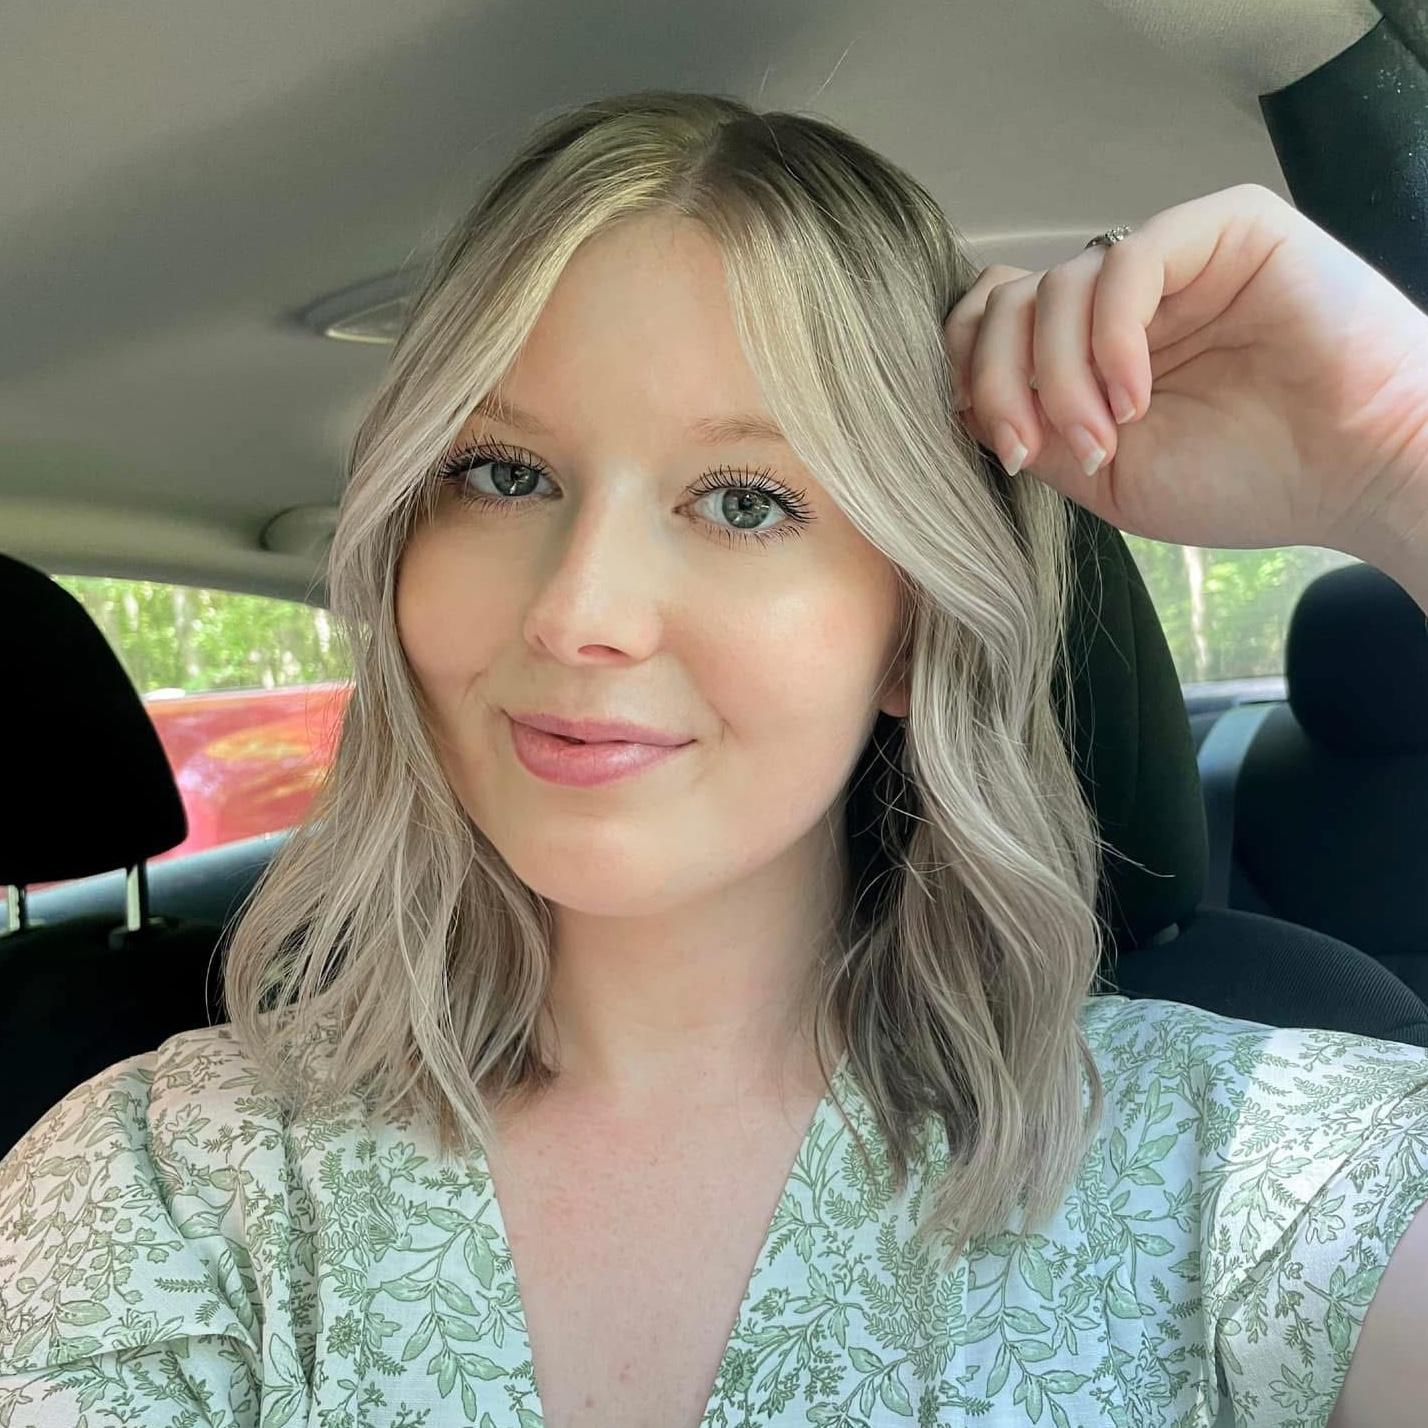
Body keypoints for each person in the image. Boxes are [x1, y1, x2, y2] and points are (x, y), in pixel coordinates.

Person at [2, 88, 1427, 1428]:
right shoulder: (166, 1185)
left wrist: (1400, 453)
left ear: (912, 631)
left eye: (744, 501)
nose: (581, 611)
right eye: (503, 474)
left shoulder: (1245, 1170)